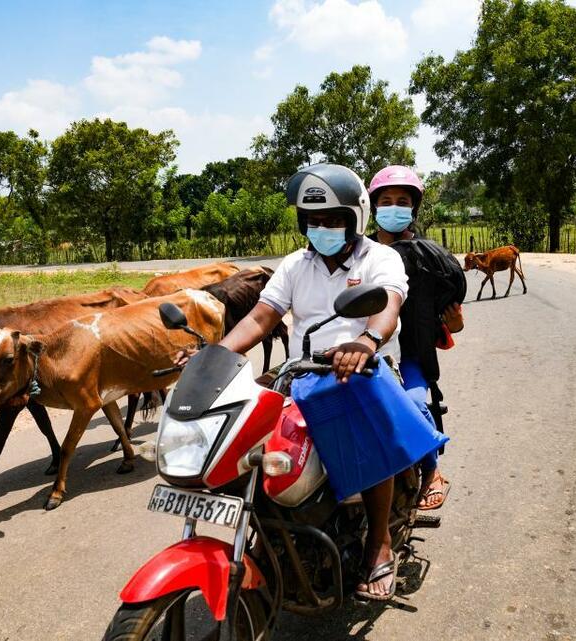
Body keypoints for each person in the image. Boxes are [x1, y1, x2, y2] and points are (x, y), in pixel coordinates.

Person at [176, 163, 409, 600]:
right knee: (243, 440)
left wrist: (366, 339)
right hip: (300, 376)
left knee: (369, 438)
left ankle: (378, 545)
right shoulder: (295, 265)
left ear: (356, 218)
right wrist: (214, 354)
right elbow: (262, 317)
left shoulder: (380, 258)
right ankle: (268, 535)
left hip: (364, 373)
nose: (322, 228)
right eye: (313, 221)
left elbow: (389, 306)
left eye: (333, 220)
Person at [367, 165, 463, 511]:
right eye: (386, 201)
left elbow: (453, 324)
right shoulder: (359, 254)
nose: (393, 207)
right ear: (373, 208)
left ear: (413, 209)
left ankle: (432, 471)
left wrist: (453, 322)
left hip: (407, 357)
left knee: (413, 404)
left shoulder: (431, 260)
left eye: (402, 201)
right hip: (363, 349)